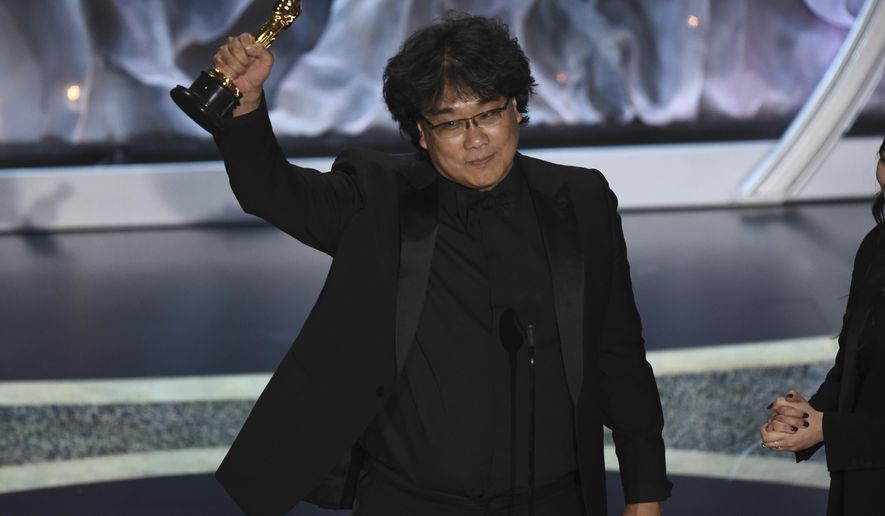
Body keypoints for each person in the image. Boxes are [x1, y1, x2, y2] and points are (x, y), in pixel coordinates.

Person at [209, 12, 671, 516]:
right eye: (451, 123)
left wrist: (644, 495)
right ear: (422, 134)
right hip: (409, 500)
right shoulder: (378, 198)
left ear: (517, 109)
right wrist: (247, 105)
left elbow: (618, 351)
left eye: (489, 114)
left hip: (554, 500)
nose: (476, 140)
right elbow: (269, 190)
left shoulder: (580, 200)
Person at [761, 135, 885, 515]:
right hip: (864, 482)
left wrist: (829, 429)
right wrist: (805, 417)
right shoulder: (876, 246)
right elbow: (852, 361)